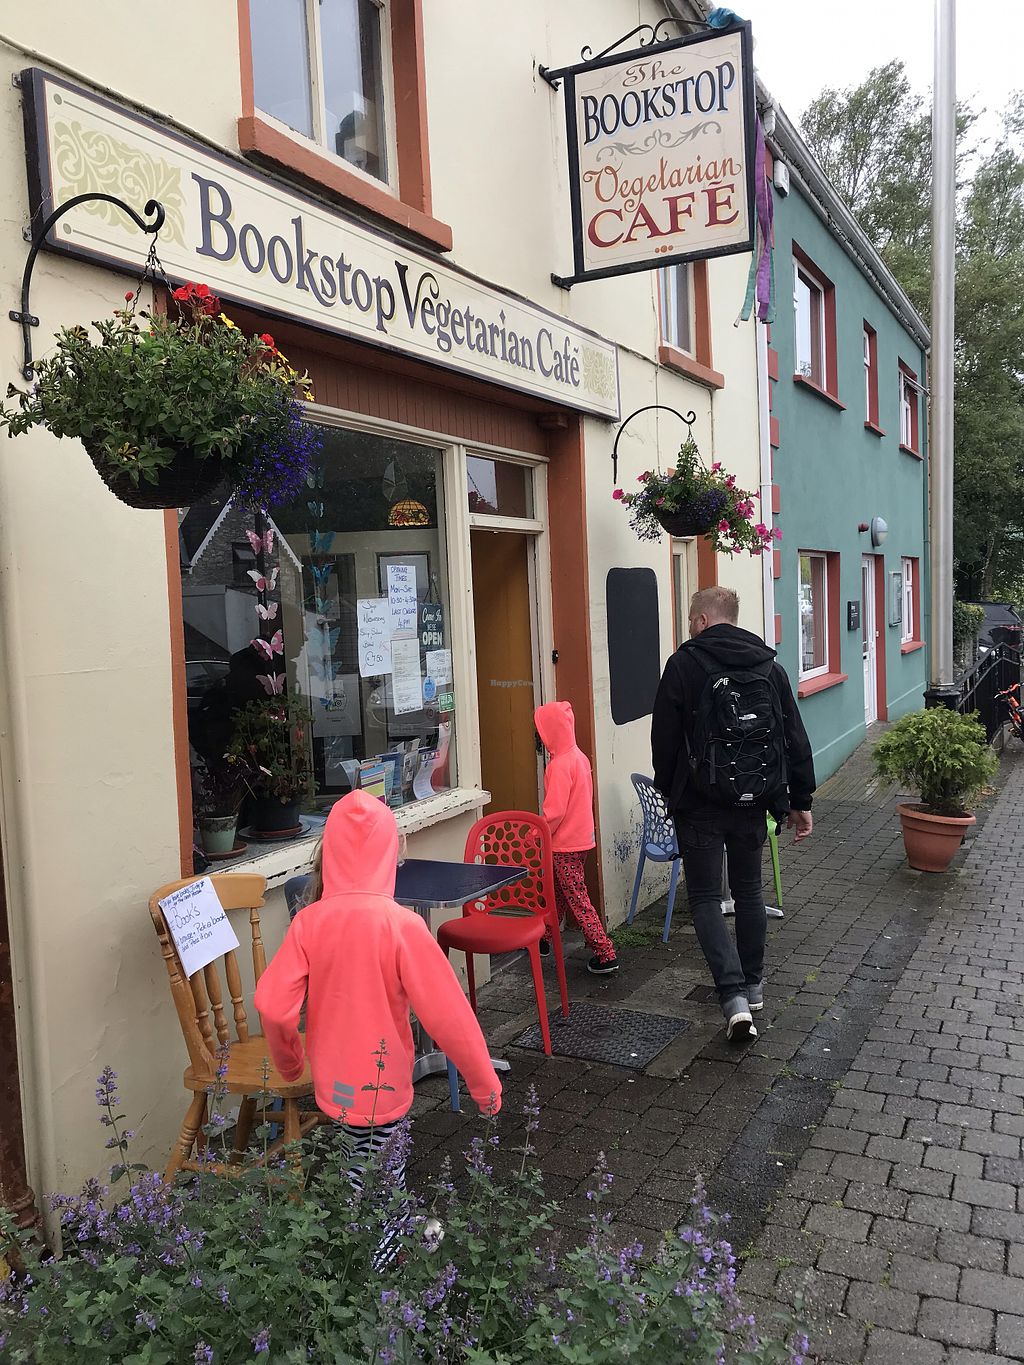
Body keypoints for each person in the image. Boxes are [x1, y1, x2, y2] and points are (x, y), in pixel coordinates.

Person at [254, 790, 501, 1207]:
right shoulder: (401, 926)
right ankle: (380, 1260)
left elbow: (272, 1004)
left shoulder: (308, 922)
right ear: (390, 852)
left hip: (335, 1081)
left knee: (360, 1168)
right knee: (378, 1185)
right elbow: (449, 1015)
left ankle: (374, 1246)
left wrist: (291, 1062)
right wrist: (484, 1084)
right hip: (383, 1080)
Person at [651, 587, 815, 1042]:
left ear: (703, 619)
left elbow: (663, 741)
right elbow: (794, 739)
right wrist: (801, 803)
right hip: (753, 800)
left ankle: (733, 997)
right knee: (749, 891)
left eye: (689, 618)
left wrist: (671, 794)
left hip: (699, 806)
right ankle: (754, 984)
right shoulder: (770, 667)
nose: (688, 626)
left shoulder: (683, 665)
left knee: (705, 898)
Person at [535, 701, 619, 976]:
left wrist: (537, 832)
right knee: (558, 892)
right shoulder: (579, 758)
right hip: (581, 840)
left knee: (575, 897)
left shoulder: (558, 766)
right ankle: (543, 939)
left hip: (563, 844)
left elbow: (555, 812)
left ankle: (604, 951)